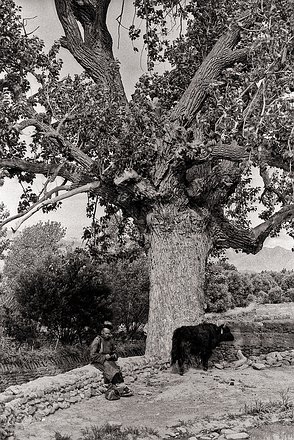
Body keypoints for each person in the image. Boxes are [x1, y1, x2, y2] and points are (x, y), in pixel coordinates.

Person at [89, 323, 133, 399]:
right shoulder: (97, 340)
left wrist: (113, 355)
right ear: (102, 333)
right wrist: (104, 356)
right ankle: (119, 387)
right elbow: (92, 355)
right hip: (99, 361)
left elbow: (115, 351)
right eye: (106, 333)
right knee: (109, 368)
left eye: (109, 333)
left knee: (116, 368)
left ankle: (120, 386)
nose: (108, 335)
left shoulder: (110, 340)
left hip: (109, 360)